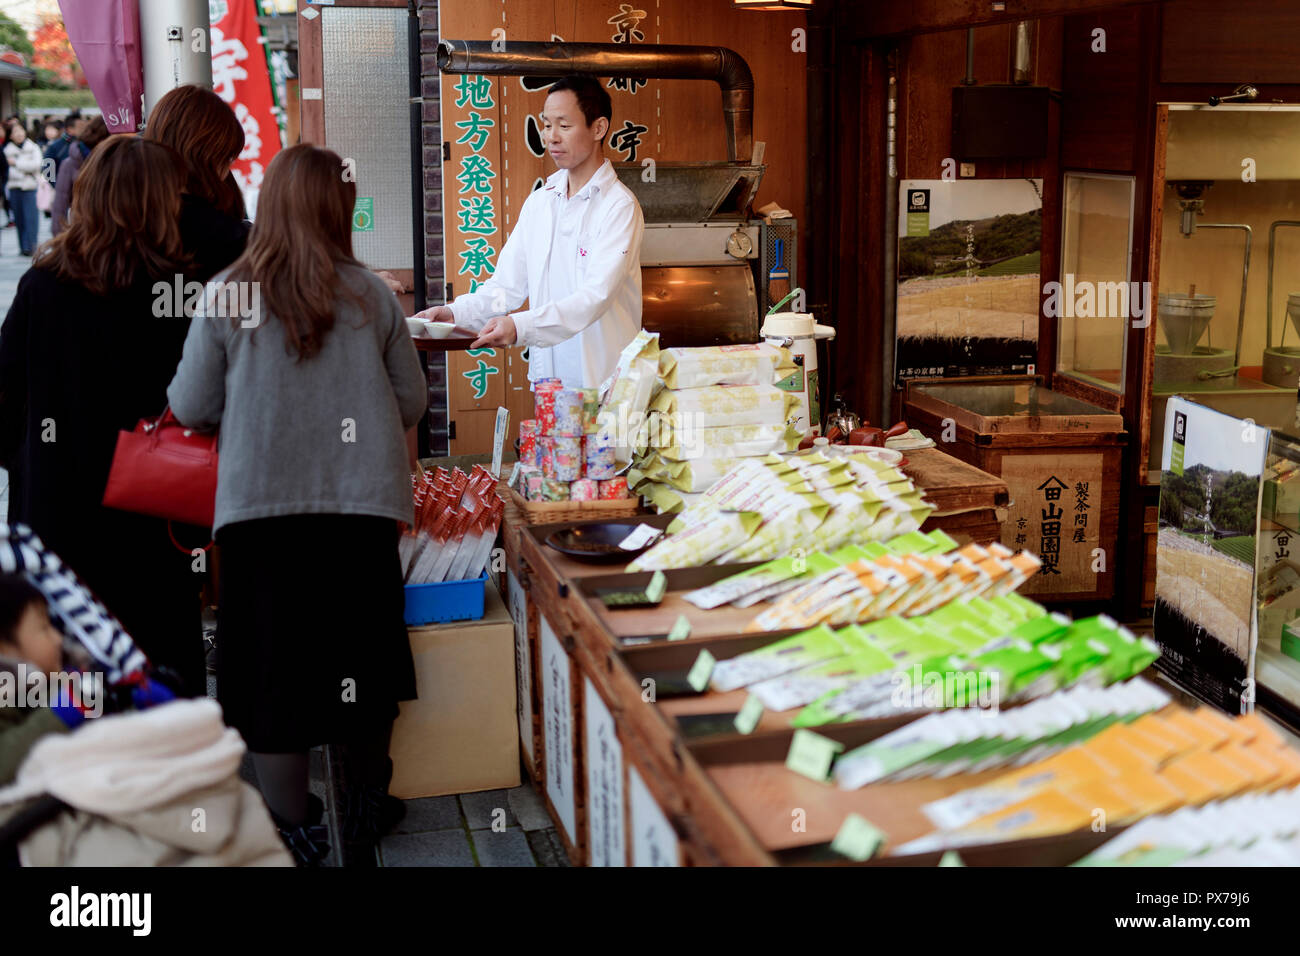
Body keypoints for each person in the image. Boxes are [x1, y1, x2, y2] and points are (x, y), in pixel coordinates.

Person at [167, 144, 426, 864]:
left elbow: (190, 405)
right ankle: (367, 804)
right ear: (338, 209)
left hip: (259, 518)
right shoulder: (371, 295)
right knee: (362, 664)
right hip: (359, 513)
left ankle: (296, 826)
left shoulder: (226, 292)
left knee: (270, 675)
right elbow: (411, 399)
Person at [0, 135, 207, 698]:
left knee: (73, 668)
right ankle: (176, 769)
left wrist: (25, 458)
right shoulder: (180, 291)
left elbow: (2, 396)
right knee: (164, 657)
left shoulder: (44, 285)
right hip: (155, 509)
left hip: (58, 509)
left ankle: (92, 776)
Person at [416, 74, 644, 389]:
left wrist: (519, 326)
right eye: (546, 125)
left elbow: (594, 298)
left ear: (599, 128)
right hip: (550, 386)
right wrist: (455, 315)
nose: (551, 137)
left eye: (564, 126)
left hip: (605, 384)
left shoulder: (619, 207)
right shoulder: (540, 202)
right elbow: (506, 288)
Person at [144, 86, 250, 283]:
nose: (226, 172)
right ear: (207, 157)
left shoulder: (118, 227)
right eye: (226, 158)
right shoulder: (231, 240)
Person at [51, 116, 108, 236]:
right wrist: (51, 181)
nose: (83, 128)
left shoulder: (115, 157)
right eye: (80, 126)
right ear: (69, 129)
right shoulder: (57, 147)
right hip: (82, 227)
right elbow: (47, 163)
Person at [4, 123, 43, 256]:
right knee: (19, 219)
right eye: (15, 132)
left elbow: (37, 165)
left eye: (21, 130)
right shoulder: (6, 150)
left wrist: (16, 164)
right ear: (10, 135)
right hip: (14, 188)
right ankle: (23, 247)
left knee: (31, 218)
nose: (19, 134)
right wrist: (25, 168)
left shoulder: (33, 147)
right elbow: (6, 172)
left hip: (30, 187)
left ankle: (32, 246)